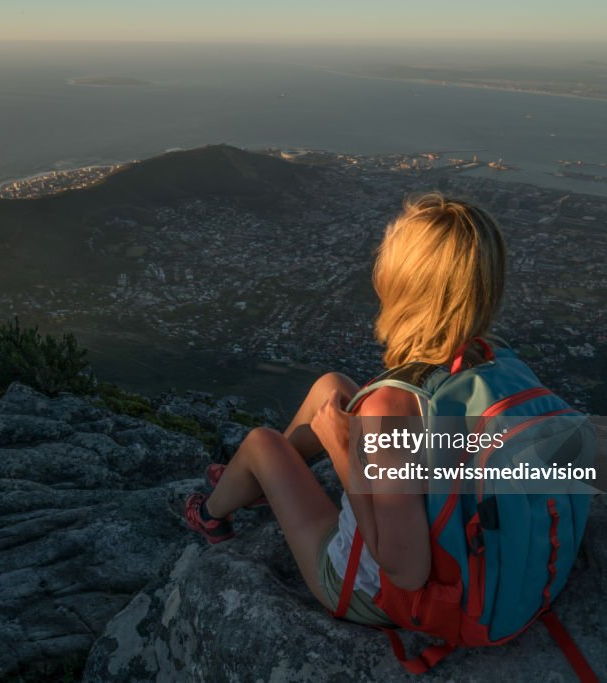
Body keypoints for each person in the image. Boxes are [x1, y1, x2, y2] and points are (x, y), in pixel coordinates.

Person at [184, 192, 507, 626]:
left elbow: (406, 571)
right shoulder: (493, 361)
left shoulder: (390, 408)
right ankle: (257, 485)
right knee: (332, 387)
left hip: (366, 588)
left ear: (401, 286)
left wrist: (343, 452)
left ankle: (209, 515)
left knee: (262, 443)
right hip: (459, 538)